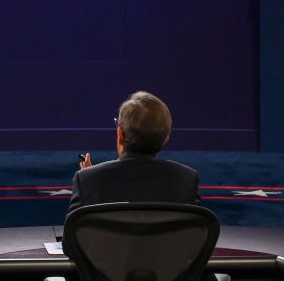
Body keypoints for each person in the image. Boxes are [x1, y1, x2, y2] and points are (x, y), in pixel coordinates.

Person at [68, 91, 199, 214]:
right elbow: (193, 236)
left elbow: (75, 236)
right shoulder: (187, 180)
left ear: (120, 134)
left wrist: (91, 183)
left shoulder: (86, 181)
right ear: (166, 139)